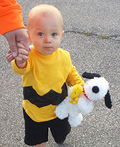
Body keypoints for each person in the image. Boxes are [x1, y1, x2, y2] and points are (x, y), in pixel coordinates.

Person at [11, 4, 85, 147]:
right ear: (29, 36)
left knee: (61, 134)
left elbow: (71, 73)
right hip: (35, 111)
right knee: (38, 141)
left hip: (60, 109)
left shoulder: (64, 56)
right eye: (40, 34)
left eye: (53, 34)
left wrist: (79, 85)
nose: (47, 40)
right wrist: (20, 61)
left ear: (61, 36)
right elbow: (20, 69)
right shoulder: (29, 56)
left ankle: (60, 139)